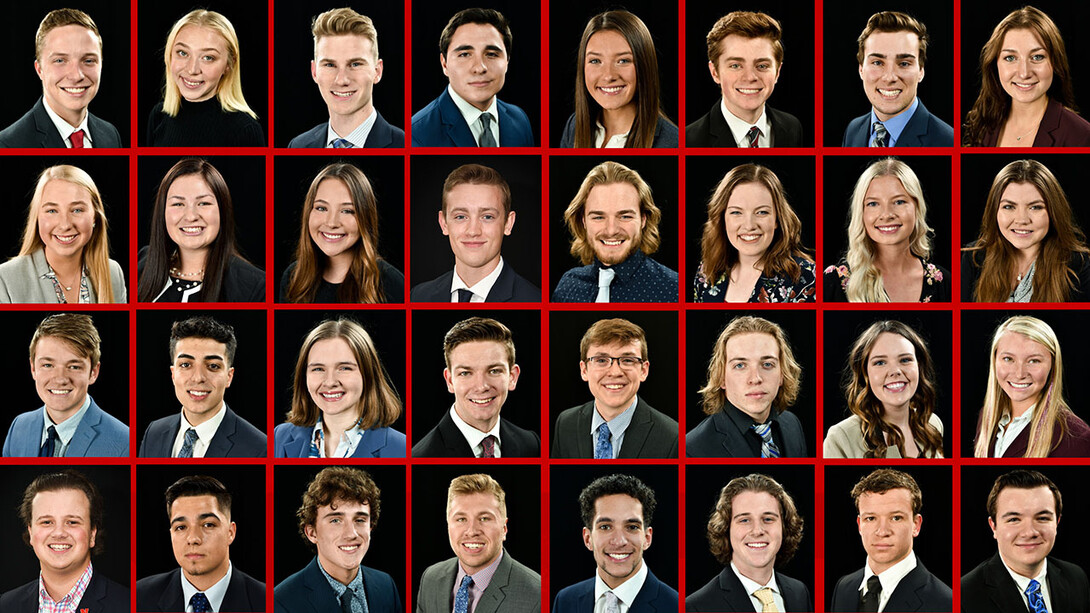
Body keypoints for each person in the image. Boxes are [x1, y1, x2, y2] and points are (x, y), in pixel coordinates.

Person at [275, 467, 403, 613]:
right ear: (312, 533)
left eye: (360, 520)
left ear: (371, 527)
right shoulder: (282, 601)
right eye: (336, 520)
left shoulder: (386, 585)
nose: (351, 533)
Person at [137, 158, 265, 303]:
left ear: (223, 210)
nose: (191, 216)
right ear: (162, 212)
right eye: (178, 204)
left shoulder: (255, 286)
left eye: (203, 203)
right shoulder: (143, 262)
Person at [961, 470, 1090, 613]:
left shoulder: (1076, 578)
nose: (1029, 532)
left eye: (1042, 518)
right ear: (994, 526)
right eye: (1014, 520)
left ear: (1057, 523)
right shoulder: (964, 596)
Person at [274, 318, 406, 458]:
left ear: (368, 374)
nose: (330, 382)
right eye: (318, 369)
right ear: (304, 376)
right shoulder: (280, 437)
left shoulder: (400, 447)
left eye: (344, 368)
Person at [138, 316, 267, 458]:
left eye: (213, 366)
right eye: (186, 365)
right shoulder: (154, 432)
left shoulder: (259, 448)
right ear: (173, 374)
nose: (198, 378)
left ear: (229, 377)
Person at [963, 159, 1090, 302]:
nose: (1022, 220)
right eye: (1009, 207)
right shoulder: (971, 259)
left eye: (1035, 207)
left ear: (1053, 212)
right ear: (994, 211)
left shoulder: (1079, 265)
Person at [824, 158, 949, 302]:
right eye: (873, 203)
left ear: (917, 207)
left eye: (899, 202)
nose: (886, 215)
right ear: (861, 212)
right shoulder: (831, 282)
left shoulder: (943, 282)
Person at [0, 470, 129, 611]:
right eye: (47, 522)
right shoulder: (6, 605)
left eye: (72, 522)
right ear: (31, 532)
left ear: (92, 533)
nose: (59, 533)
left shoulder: (129, 605)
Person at [411, 164, 540, 302]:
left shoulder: (535, 299)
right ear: (444, 223)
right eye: (460, 217)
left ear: (508, 223)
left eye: (487, 217)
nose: (473, 231)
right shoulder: (418, 296)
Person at [3, 314, 128, 457]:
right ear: (33, 369)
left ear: (93, 372)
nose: (60, 379)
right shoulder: (19, 426)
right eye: (48, 365)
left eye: (74, 367)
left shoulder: (123, 442)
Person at [553, 161, 678, 302]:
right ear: (583, 221)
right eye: (599, 217)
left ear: (643, 219)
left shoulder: (673, 289)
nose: (611, 230)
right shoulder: (568, 286)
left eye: (625, 216)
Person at [963, 7, 1090, 147]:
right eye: (1010, 58)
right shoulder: (982, 124)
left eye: (1037, 57)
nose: (1024, 73)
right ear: (995, 64)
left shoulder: (1081, 136)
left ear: (1055, 63)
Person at [829, 469, 952, 612]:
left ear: (916, 525)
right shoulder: (844, 588)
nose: (882, 531)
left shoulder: (945, 603)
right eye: (870, 518)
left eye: (896, 518)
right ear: (859, 525)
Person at [136, 475, 265, 611]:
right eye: (181, 527)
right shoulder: (139, 597)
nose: (193, 539)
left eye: (208, 525)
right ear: (171, 534)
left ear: (230, 532)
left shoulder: (265, 600)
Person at [414, 317, 540, 458]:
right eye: (466, 373)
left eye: (494, 371)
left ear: (512, 377)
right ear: (449, 381)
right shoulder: (423, 456)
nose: (481, 386)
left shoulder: (531, 444)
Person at [280, 162, 404, 304]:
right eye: (321, 208)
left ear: (365, 217)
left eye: (347, 211)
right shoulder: (293, 276)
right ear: (308, 212)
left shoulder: (392, 284)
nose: (331, 223)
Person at [552, 319, 677, 459]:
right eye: (601, 360)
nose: (615, 372)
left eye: (628, 360)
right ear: (584, 370)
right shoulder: (565, 423)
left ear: (643, 370)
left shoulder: (672, 437)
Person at [686, 474, 812, 612]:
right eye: (744, 520)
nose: (757, 531)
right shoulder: (697, 607)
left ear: (784, 526)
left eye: (768, 519)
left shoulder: (799, 593)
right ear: (726, 528)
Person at [0, 165, 126, 304]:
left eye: (77, 210)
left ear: (95, 217)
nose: (65, 225)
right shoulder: (5, 278)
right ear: (37, 217)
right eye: (52, 211)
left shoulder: (113, 272)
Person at [552, 474, 678, 613]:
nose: (619, 541)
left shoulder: (676, 606)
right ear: (588, 539)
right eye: (605, 527)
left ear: (647, 538)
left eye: (632, 527)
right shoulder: (565, 601)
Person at [416, 474, 540, 612]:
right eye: (461, 519)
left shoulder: (537, 595)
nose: (472, 531)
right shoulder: (431, 578)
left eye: (484, 518)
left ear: (504, 529)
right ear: (448, 525)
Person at [687, 316, 807, 458]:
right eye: (740, 366)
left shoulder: (792, 424)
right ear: (721, 378)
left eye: (767, 364)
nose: (755, 378)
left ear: (782, 374)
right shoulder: (691, 449)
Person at [411, 8, 533, 147]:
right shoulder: (416, 134)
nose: (479, 68)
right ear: (444, 64)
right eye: (464, 54)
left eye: (492, 54)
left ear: (507, 61)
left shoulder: (520, 119)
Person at [693, 164, 815, 302]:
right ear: (722, 219)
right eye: (736, 212)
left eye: (761, 212)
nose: (749, 225)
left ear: (777, 219)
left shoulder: (805, 276)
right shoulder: (707, 272)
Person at [0, 9, 121, 148]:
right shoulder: (8, 144)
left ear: (101, 65)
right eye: (60, 61)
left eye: (88, 60)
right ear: (39, 69)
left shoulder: (110, 134)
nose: (77, 76)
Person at [972, 316, 1090, 458]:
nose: (1019, 373)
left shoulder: (1076, 436)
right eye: (1008, 359)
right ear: (994, 360)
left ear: (1053, 365)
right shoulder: (986, 416)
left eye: (1034, 361)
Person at [824, 321, 944, 459]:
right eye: (880, 362)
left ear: (919, 366)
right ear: (865, 373)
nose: (895, 371)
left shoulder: (933, 423)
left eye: (905, 360)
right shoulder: (840, 438)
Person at [288, 8, 403, 148]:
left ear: (377, 71)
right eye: (330, 65)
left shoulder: (405, 144)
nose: (342, 80)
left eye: (355, 64)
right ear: (314, 72)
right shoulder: (298, 146)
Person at [560, 10, 677, 148]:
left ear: (644, 66)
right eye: (596, 60)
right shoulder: (574, 126)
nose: (608, 76)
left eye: (623, 61)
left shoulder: (673, 143)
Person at [146, 9, 264, 146]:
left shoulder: (246, 130)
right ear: (169, 55)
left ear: (228, 64)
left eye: (208, 57)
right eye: (183, 53)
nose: (192, 69)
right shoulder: (159, 116)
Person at [686, 11, 803, 148]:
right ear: (715, 72)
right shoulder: (689, 140)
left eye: (762, 66)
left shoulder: (792, 127)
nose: (750, 77)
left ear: (777, 72)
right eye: (735, 65)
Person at [842, 11, 953, 147]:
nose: (889, 77)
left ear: (921, 71)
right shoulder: (853, 130)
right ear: (861, 70)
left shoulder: (947, 141)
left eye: (904, 64)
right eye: (877, 63)